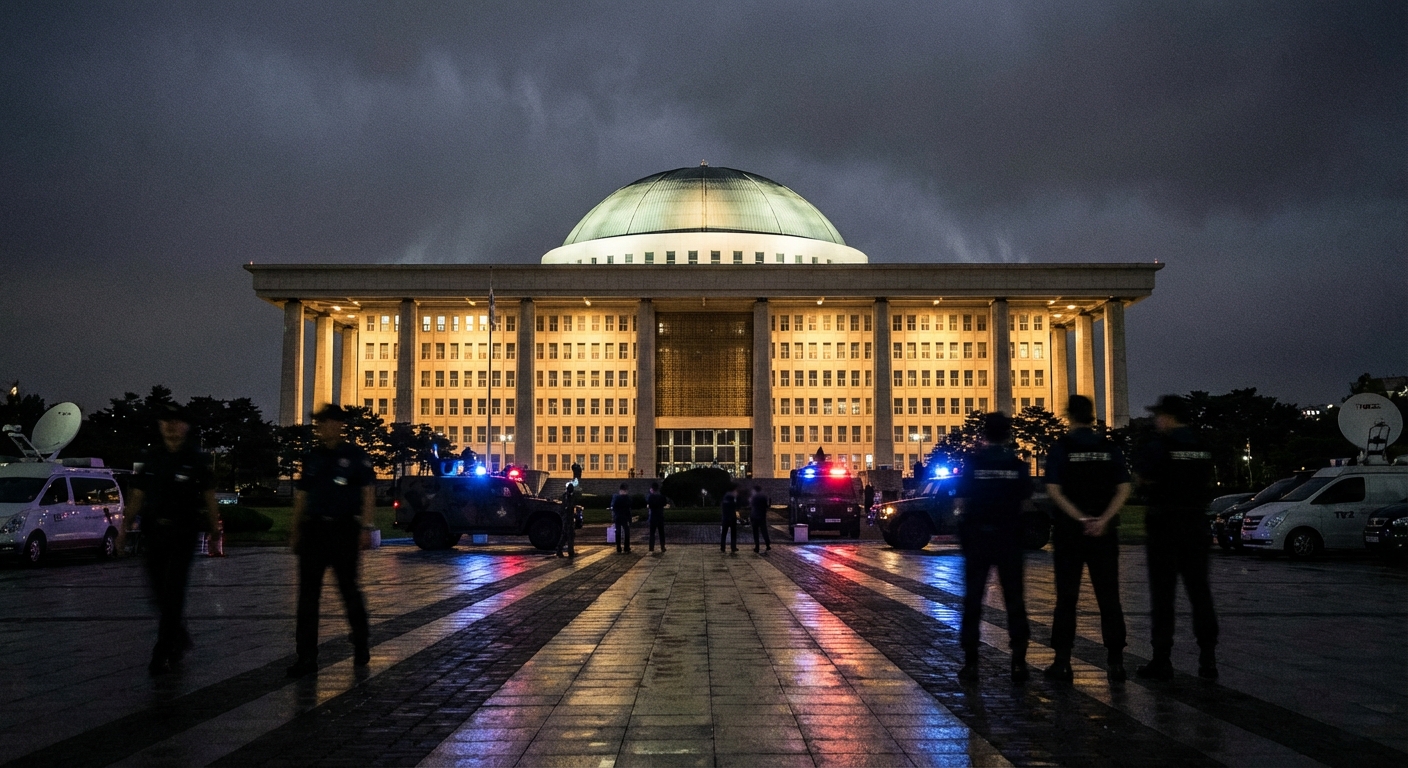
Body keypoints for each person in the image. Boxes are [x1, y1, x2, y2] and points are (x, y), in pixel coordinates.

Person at [119, 404, 221, 676]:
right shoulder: (152, 457)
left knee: (174, 591)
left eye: (177, 422)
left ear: (185, 426)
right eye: (166, 421)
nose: (171, 427)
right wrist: (123, 529)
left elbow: (209, 497)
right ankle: (179, 635)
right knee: (157, 592)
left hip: (183, 533)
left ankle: (162, 652)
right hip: (155, 532)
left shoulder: (195, 459)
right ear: (160, 425)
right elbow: (137, 496)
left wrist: (214, 530)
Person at [1042, 395, 1132, 683]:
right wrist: (1103, 519)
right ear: (1092, 416)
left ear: (1069, 415)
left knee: (1066, 598)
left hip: (1071, 533)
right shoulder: (1109, 447)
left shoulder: (1061, 448)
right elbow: (1124, 487)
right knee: (1109, 598)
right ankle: (1116, 662)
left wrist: (1080, 519)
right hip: (1104, 535)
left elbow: (1054, 490)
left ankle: (1062, 662)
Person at [286, 404, 376, 678]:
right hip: (314, 530)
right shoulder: (312, 456)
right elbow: (302, 494)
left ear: (340, 425)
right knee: (308, 596)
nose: (325, 428)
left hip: (344, 530)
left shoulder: (355, 456)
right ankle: (306, 657)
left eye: (331, 422)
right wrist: (295, 528)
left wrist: (366, 526)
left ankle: (361, 641)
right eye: (321, 423)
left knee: (348, 589)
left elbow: (368, 492)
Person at [1133, 395, 1219, 681]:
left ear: (1169, 417)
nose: (1156, 420)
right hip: (1196, 526)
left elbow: (1142, 479)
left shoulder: (1159, 447)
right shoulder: (1202, 446)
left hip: (1165, 528)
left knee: (1163, 597)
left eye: (1159, 415)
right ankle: (1208, 659)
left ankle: (1162, 660)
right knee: (1200, 595)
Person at [953, 412, 1032, 684]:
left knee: (973, 601)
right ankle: (1019, 662)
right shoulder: (1018, 466)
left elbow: (961, 500)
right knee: (1015, 601)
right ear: (1009, 435)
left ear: (984, 435)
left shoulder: (973, 465)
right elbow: (1025, 502)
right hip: (1009, 540)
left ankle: (971, 664)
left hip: (978, 539)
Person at [610, 483, 632, 554]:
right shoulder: (628, 498)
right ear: (626, 490)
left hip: (618, 517)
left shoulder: (616, 498)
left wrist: (613, 516)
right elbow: (629, 509)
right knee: (626, 532)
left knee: (618, 532)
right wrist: (630, 519)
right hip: (625, 517)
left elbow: (614, 508)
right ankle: (626, 547)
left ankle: (618, 548)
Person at [749, 485, 772, 553]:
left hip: (755, 516)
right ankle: (767, 544)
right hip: (762, 516)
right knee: (764, 531)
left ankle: (757, 547)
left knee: (755, 533)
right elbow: (766, 506)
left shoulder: (753, 497)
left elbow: (751, 506)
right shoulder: (763, 496)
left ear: (755, 490)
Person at [556, 482, 576, 558]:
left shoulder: (567, 496)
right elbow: (568, 506)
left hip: (568, 517)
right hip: (568, 518)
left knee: (566, 535)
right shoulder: (567, 496)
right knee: (569, 535)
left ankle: (561, 550)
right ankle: (570, 551)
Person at [646, 482, 667, 553]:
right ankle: (662, 546)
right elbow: (664, 503)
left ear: (652, 489)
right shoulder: (662, 497)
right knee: (661, 533)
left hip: (653, 517)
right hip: (660, 516)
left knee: (652, 533)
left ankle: (651, 547)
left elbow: (648, 503)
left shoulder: (650, 497)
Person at [720, 486, 740, 553]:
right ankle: (733, 547)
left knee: (724, 533)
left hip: (725, 518)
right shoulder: (732, 499)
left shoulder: (724, 499)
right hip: (732, 518)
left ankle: (723, 547)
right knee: (733, 533)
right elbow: (735, 507)